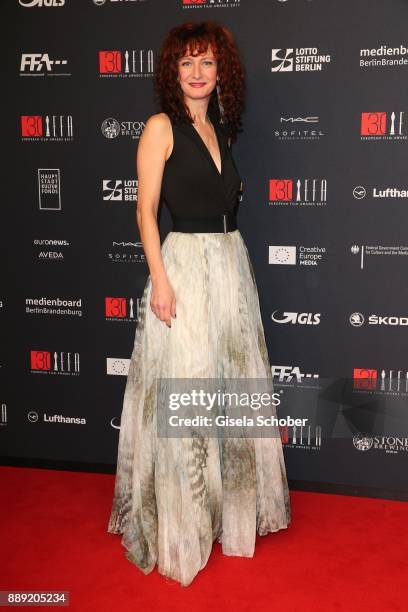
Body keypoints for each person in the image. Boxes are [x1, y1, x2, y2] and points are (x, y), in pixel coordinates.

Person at [107, 20, 291, 587]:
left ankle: (220, 508)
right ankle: (181, 521)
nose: (196, 73)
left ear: (220, 72)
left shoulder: (222, 129)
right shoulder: (160, 128)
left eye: (206, 63)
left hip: (230, 266)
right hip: (182, 267)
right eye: (186, 63)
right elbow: (145, 212)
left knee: (227, 387)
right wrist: (160, 281)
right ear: (173, 71)